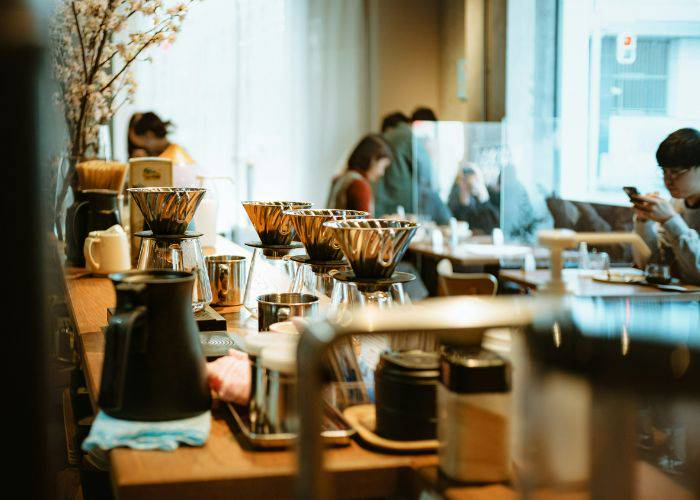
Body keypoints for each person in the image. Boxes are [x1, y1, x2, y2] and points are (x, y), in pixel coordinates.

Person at [632, 128, 700, 284]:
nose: (667, 180)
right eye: (664, 171)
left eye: (675, 172)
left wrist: (671, 220)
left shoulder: (672, 211)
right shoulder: (676, 203)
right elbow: (654, 267)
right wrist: (644, 222)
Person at [375, 111, 452, 224]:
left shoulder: (381, 139)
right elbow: (426, 172)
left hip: (381, 207)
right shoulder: (406, 134)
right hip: (405, 206)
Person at [327, 134, 392, 214]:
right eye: (382, 166)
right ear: (372, 160)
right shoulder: (360, 185)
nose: (382, 173)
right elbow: (365, 225)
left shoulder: (343, 178)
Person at [447, 164, 500, 234]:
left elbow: (494, 227)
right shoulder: (455, 198)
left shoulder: (490, 195)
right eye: (464, 180)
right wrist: (464, 202)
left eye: (475, 180)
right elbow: (459, 226)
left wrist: (483, 198)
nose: (469, 184)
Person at [127, 111, 194, 164]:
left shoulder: (177, 155)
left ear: (149, 135)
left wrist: (146, 165)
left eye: (142, 145)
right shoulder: (178, 151)